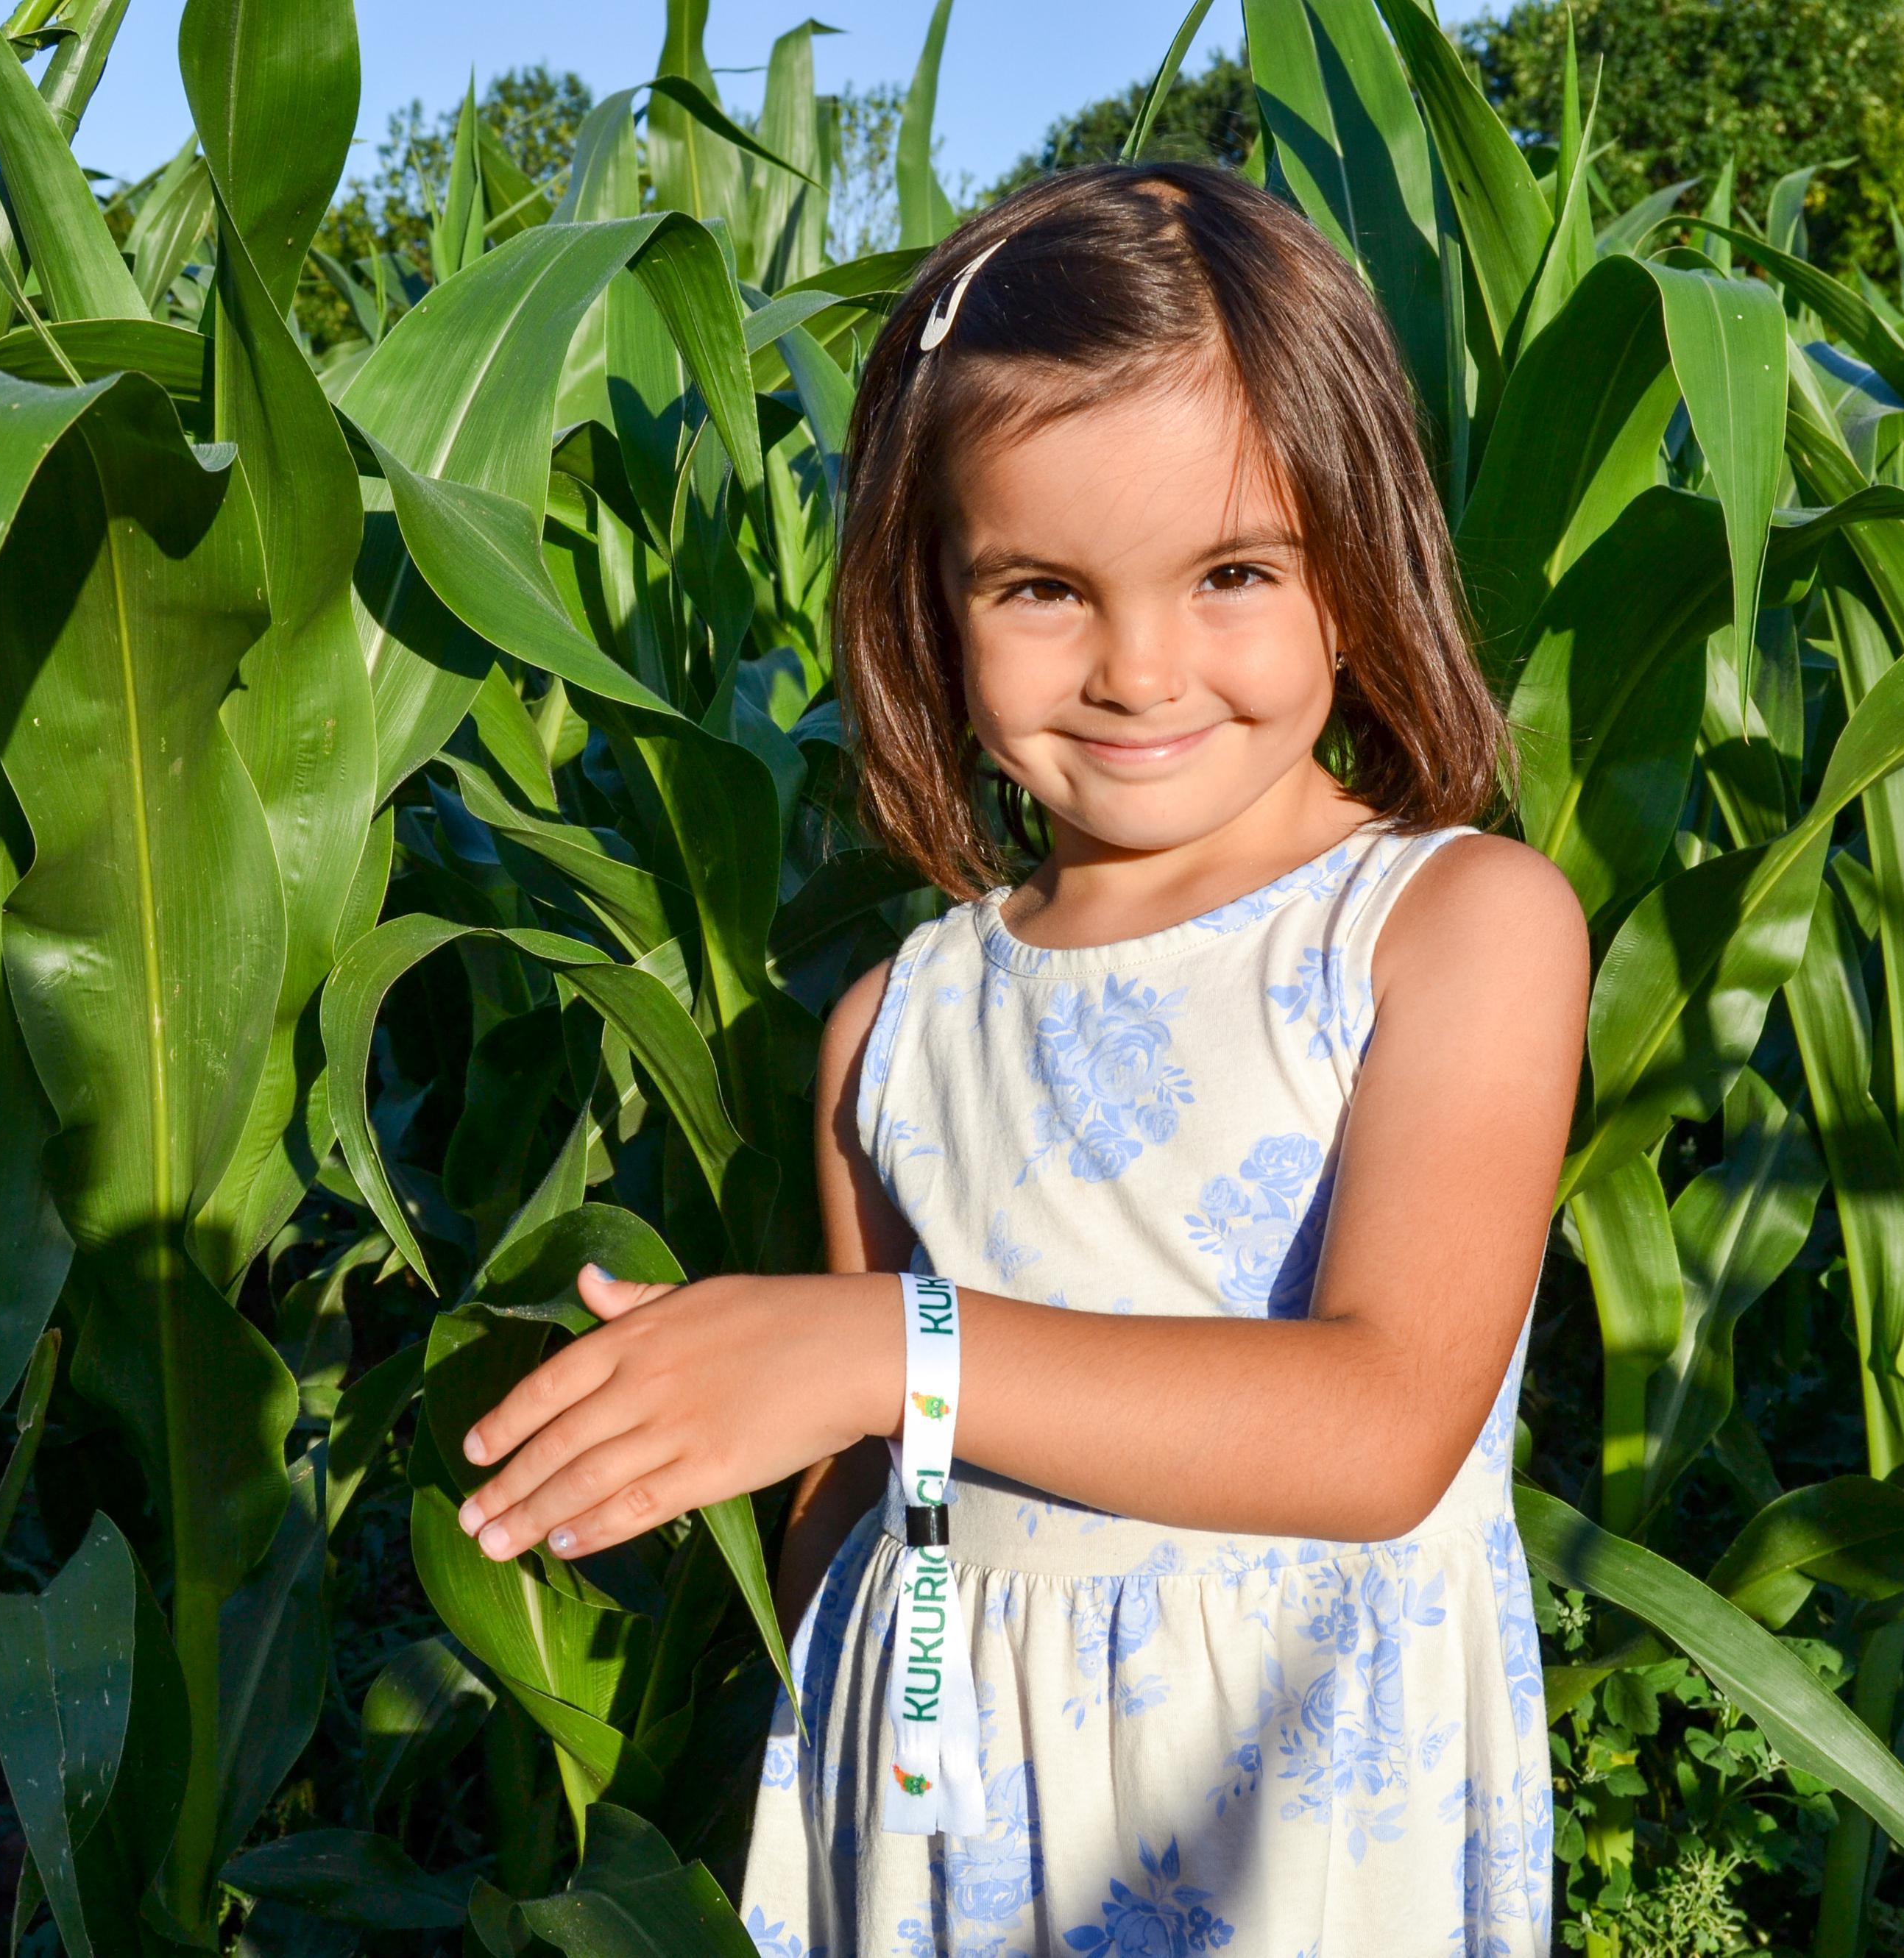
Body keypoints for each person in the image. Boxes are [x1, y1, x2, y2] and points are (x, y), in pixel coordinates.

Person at [450, 161, 1588, 1957]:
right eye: (1043, 588)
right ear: (931, 604)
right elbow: (860, 1497)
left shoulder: (1445, 928)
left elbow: (1382, 1427)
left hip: (1279, 1829)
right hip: (942, 1834)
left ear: (1355, 565)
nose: (1138, 667)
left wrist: (871, 1348)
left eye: (1231, 572)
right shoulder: (895, 1024)